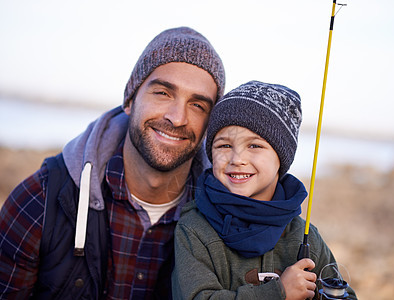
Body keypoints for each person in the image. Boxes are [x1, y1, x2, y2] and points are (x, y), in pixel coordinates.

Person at [0, 26, 225, 299]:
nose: (177, 118)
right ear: (130, 99)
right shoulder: (41, 200)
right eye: (163, 93)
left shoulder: (223, 221)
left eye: (197, 105)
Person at [172, 81, 357, 299]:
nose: (237, 159)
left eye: (254, 146)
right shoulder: (194, 229)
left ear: (282, 158)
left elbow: (345, 294)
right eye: (224, 145)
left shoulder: (304, 235)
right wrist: (278, 293)